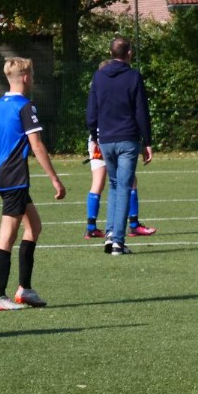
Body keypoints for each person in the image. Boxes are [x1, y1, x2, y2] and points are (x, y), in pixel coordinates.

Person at [0, 57, 66, 311]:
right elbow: (36, 145)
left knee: (34, 226)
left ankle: (25, 290)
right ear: (26, 78)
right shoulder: (25, 107)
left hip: (2, 176)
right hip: (15, 177)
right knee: (7, 236)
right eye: (33, 76)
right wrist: (55, 179)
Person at [86, 36, 152, 255]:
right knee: (123, 186)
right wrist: (147, 141)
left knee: (115, 185)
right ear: (129, 53)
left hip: (106, 138)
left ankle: (110, 234)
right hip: (127, 138)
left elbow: (92, 110)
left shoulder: (99, 76)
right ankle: (118, 242)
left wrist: (94, 134)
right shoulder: (133, 76)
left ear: (110, 53)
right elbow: (141, 110)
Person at [85, 132, 155, 239]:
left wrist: (94, 138)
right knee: (130, 180)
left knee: (98, 183)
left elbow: (91, 121)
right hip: (116, 138)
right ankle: (134, 225)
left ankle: (91, 228)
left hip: (97, 139)